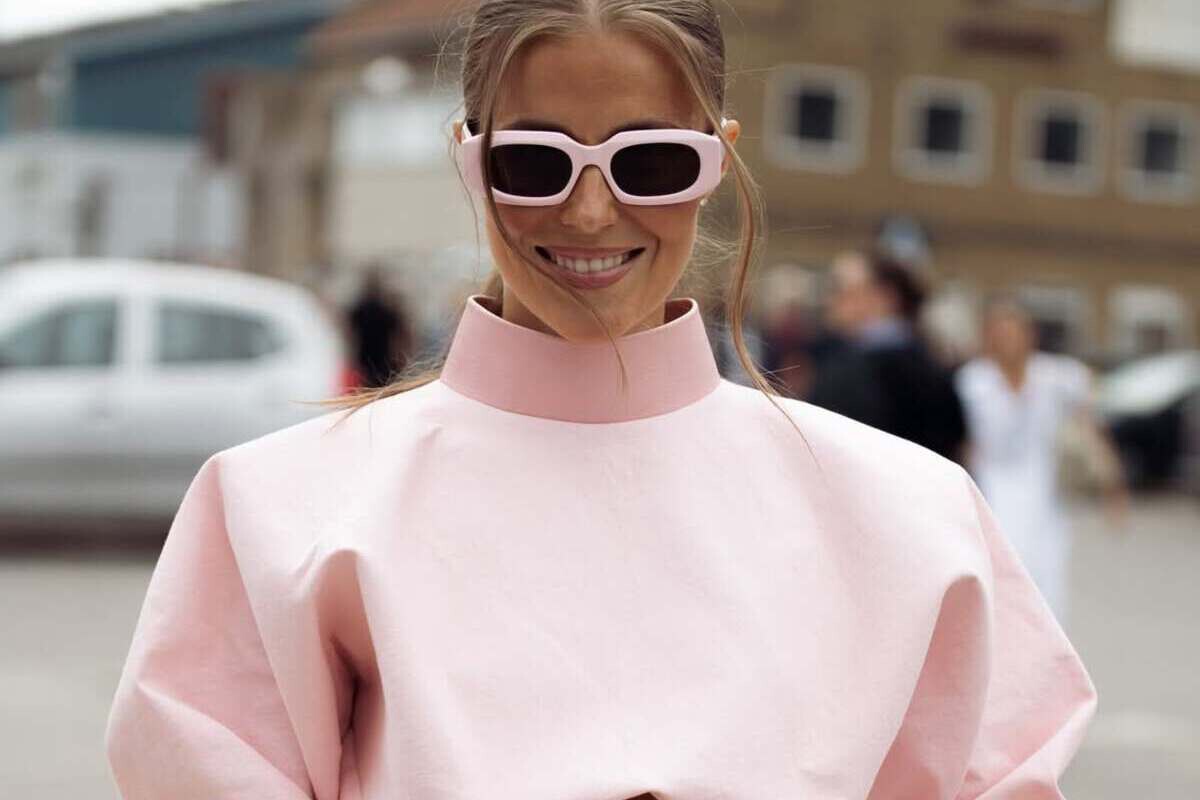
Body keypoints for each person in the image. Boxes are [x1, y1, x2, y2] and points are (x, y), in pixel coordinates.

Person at [105, 3, 1095, 797]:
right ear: (468, 155)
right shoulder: (275, 511)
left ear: (718, 158)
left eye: (649, 161)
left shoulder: (910, 518)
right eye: (533, 161)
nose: (588, 210)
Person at [956, 293, 1127, 630]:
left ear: (1029, 335)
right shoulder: (972, 380)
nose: (1007, 341)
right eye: (998, 333)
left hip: (1044, 494)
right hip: (991, 490)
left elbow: (1092, 424)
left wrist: (1112, 483)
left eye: (1013, 331)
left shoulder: (1056, 376)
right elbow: (963, 439)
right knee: (999, 577)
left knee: (1046, 584)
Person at [808, 249, 969, 464]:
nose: (828, 300)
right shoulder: (931, 362)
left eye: (839, 289)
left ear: (885, 296)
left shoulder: (862, 372)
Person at [346, 264, 413, 388]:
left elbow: (350, 333)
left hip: (366, 357)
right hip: (384, 357)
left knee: (367, 388)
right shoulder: (386, 308)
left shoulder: (359, 308)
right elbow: (400, 334)